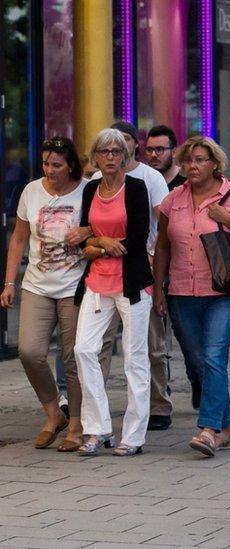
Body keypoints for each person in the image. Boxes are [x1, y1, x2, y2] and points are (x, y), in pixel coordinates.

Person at [153, 136, 230, 456]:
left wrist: (226, 218)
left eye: (201, 160)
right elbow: (163, 244)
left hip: (222, 291)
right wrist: (159, 288)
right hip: (181, 291)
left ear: (214, 163)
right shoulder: (173, 199)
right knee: (197, 363)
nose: (193, 166)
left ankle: (209, 428)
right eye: (188, 160)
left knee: (215, 355)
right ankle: (226, 425)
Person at [1, 137, 90, 451]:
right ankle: (54, 412)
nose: (49, 170)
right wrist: (9, 283)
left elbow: (105, 224)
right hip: (37, 284)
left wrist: (88, 231)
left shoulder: (87, 189)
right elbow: (18, 240)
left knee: (72, 357)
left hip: (75, 284)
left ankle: (77, 422)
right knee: (29, 351)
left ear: (71, 166)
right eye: (45, 164)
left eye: (56, 165)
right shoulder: (31, 191)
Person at [72, 128, 154, 456]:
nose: (109, 158)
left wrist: (99, 244)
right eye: (104, 152)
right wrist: (100, 242)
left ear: (125, 156)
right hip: (97, 281)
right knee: (84, 349)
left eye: (115, 152)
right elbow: (82, 235)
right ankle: (97, 428)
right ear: (95, 156)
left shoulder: (136, 188)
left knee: (134, 358)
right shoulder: (91, 188)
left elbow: (137, 238)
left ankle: (133, 436)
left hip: (131, 282)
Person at [92, 121, 175, 431]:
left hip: (144, 264)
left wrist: (160, 265)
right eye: (109, 145)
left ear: (132, 145)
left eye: (122, 142)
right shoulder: (96, 180)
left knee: (149, 341)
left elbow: (162, 222)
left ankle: (158, 404)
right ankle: (95, 408)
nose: (116, 149)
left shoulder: (149, 178)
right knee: (99, 343)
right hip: (103, 268)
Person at [145, 124, 185, 190]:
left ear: (174, 152)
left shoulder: (186, 181)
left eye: (159, 149)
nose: (153, 154)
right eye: (149, 150)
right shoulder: (142, 181)